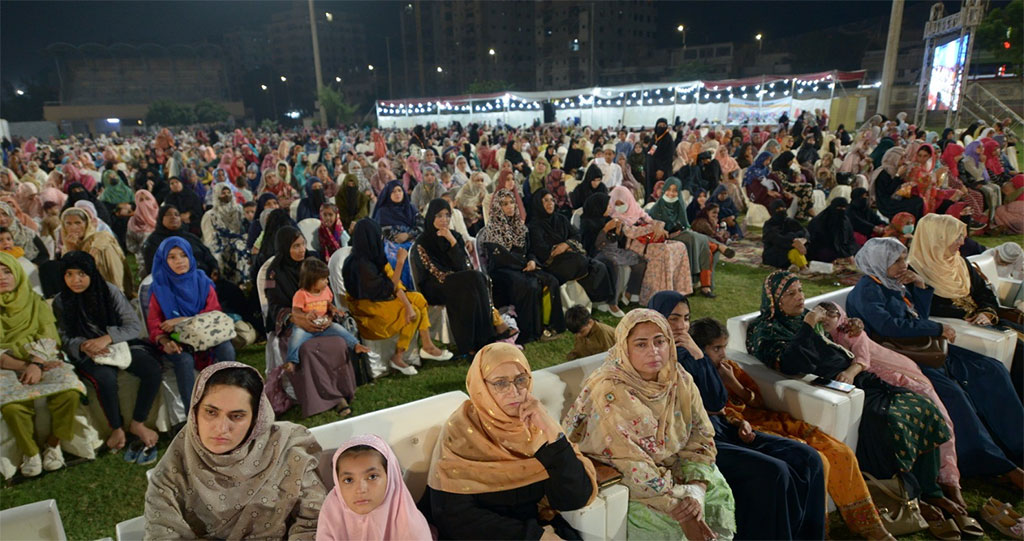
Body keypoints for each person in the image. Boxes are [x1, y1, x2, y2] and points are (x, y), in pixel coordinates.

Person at [747, 271, 965, 521]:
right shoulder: (766, 331)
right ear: (774, 300)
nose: (800, 297)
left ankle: (932, 488)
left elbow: (839, 324)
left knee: (923, 405)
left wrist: (852, 326)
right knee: (890, 421)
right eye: (790, 293)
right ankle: (906, 493)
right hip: (834, 387)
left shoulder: (805, 316)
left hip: (861, 380)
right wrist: (808, 325)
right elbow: (790, 363)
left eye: (801, 290)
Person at [688, 317, 894, 540]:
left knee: (837, 451)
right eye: (717, 348)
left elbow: (757, 402)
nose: (723, 354)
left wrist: (733, 384)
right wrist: (737, 419)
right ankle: (815, 527)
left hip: (760, 419)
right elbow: (713, 411)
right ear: (699, 349)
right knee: (810, 461)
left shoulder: (730, 369)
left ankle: (867, 525)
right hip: (739, 429)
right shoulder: (694, 376)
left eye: (724, 347)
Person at [848, 237, 1024, 491]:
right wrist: (937, 328)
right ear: (879, 261)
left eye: (903, 258)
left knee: (989, 369)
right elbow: (890, 327)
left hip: (923, 347)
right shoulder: (868, 289)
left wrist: (919, 286)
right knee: (952, 393)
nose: (903, 264)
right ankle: (993, 464)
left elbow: (917, 314)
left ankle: (1016, 444)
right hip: (902, 357)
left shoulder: (891, 284)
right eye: (896, 260)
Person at [648, 291, 826, 540]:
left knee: (808, 458)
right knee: (775, 472)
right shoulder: (650, 358)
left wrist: (699, 356)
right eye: (673, 318)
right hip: (692, 442)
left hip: (720, 427)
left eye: (686, 318)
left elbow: (717, 399)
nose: (681, 326)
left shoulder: (689, 354)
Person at [563, 309, 736, 540]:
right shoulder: (610, 390)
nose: (654, 352)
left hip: (677, 465)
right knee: (665, 525)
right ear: (625, 347)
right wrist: (676, 505)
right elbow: (628, 461)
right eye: (641, 344)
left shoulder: (678, 378)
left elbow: (701, 433)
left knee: (717, 492)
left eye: (660, 341)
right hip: (635, 482)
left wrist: (696, 489)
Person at [427, 343, 597, 540]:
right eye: (500, 383)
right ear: (481, 386)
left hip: (540, 525)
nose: (514, 391)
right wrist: (535, 537)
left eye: (520, 379)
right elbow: (454, 516)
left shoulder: (536, 424)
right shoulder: (462, 431)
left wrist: (551, 432)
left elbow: (575, 497)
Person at [144, 363, 325, 539]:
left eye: (236, 416)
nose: (222, 428)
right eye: (211, 412)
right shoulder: (169, 478)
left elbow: (316, 522)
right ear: (195, 412)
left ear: (256, 420)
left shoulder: (288, 449)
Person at [53, 251, 162, 457]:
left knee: (152, 369)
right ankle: (116, 429)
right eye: (69, 275)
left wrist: (107, 338)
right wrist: (84, 345)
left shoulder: (109, 291)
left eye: (82, 274)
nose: (76, 280)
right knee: (105, 379)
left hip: (118, 345)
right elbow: (64, 337)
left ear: (92, 273)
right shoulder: (61, 301)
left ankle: (138, 422)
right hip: (88, 352)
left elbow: (132, 325)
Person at [0, 252, 83, 477]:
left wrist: (36, 364)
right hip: (6, 365)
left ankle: (54, 443)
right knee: (12, 406)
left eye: (7, 271)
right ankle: (30, 452)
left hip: (42, 358)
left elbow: (49, 335)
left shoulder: (35, 301)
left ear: (17, 274)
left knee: (69, 391)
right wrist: (21, 366)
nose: (2, 277)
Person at [343, 218, 451, 375]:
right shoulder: (359, 265)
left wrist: (407, 305)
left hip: (382, 299)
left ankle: (427, 346)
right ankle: (399, 356)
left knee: (418, 301)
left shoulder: (373, 255)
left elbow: (394, 284)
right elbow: (388, 289)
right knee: (415, 312)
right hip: (368, 310)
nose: (380, 239)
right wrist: (400, 263)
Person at [413, 199, 513, 355]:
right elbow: (434, 272)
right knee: (474, 278)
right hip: (434, 286)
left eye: (447, 215)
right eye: (439, 216)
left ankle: (481, 342)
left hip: (458, 281)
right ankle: (489, 331)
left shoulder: (455, 236)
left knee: (477, 281)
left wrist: (452, 241)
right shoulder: (422, 242)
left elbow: (463, 266)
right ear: (431, 216)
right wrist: (458, 278)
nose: (444, 220)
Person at [148, 237, 236, 408]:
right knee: (183, 360)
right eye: (172, 257)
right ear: (163, 261)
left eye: (183, 255)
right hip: (176, 339)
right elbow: (154, 323)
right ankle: (193, 413)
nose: (179, 261)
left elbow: (214, 311)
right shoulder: (159, 287)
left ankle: (231, 399)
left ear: (190, 256)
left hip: (207, 335)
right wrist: (164, 341)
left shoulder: (202, 281)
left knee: (226, 349)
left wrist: (184, 320)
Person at [479, 189, 565, 344]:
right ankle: (530, 333)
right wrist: (524, 263)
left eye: (512, 202)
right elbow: (500, 257)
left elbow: (530, 249)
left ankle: (552, 326)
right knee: (529, 285)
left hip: (522, 266)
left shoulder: (520, 227)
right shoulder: (491, 230)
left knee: (551, 280)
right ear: (498, 207)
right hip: (502, 270)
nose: (510, 207)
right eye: (505, 204)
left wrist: (532, 261)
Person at [316, 434, 432, 541]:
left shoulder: (412, 526)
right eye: (348, 480)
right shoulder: (332, 509)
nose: (361, 489)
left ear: (391, 477)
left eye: (372, 477)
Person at [528, 189, 622, 317]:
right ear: (538, 203)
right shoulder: (534, 225)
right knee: (583, 262)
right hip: (551, 262)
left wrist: (566, 245)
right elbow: (541, 249)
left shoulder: (560, 218)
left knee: (598, 266)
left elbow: (576, 235)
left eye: (551, 200)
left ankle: (600, 300)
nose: (550, 203)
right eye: (545, 201)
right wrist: (561, 248)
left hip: (570, 256)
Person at [608, 185, 694, 303]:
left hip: (647, 242)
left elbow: (652, 221)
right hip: (630, 245)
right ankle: (654, 294)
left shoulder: (636, 210)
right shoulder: (613, 216)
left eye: (621, 203)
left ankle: (678, 290)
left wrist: (658, 226)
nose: (619, 207)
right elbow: (629, 233)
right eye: (616, 204)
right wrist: (651, 228)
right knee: (663, 252)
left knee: (679, 247)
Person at [286, 257, 367, 376]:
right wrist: (306, 316)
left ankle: (355, 344)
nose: (327, 282)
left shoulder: (326, 290)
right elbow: (295, 311)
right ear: (312, 280)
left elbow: (328, 304)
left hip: (324, 324)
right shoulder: (301, 294)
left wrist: (334, 309)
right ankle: (292, 361)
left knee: (339, 329)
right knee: (296, 337)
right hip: (306, 327)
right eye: (323, 279)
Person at [579, 192, 646, 305]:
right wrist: (605, 229)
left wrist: (618, 231)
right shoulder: (587, 222)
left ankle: (630, 293)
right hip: (597, 252)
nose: (611, 208)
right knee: (612, 263)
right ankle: (612, 302)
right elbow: (594, 245)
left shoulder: (608, 218)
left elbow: (614, 240)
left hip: (613, 251)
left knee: (640, 261)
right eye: (608, 206)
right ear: (599, 207)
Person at [58, 207, 129, 292]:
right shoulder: (67, 246)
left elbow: (90, 264)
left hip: (106, 283)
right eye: (68, 223)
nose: (73, 227)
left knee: (106, 249)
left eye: (78, 223)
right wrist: (72, 249)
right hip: (81, 287)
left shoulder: (99, 237)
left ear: (87, 223)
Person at [143, 205, 219, 277]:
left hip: (206, 278)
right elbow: (153, 268)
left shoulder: (190, 237)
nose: (173, 217)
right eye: (168, 214)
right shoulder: (154, 241)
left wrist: (214, 269)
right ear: (160, 219)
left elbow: (207, 254)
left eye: (176, 215)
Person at [373, 180, 421, 290]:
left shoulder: (411, 208)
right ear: (388, 194)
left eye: (399, 190)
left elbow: (421, 227)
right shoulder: (383, 211)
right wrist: (400, 237)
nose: (397, 194)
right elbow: (384, 231)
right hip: (392, 243)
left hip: (412, 241)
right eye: (393, 191)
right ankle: (401, 290)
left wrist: (408, 235)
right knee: (394, 259)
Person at [871, 147, 924, 220]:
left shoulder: (896, 169)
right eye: (901, 158)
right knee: (915, 203)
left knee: (918, 200)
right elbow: (889, 191)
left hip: (896, 198)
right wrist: (898, 175)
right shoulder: (884, 172)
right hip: (886, 203)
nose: (904, 161)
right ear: (894, 159)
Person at [806, 197, 857, 263]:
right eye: (838, 208)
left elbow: (850, 239)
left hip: (841, 248)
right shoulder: (820, 221)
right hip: (824, 248)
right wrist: (840, 255)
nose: (841, 210)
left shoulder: (845, 220)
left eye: (844, 208)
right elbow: (817, 242)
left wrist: (849, 253)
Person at [761, 199, 808, 270]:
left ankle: (795, 264)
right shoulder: (769, 225)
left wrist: (802, 240)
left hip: (793, 246)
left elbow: (804, 231)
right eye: (778, 209)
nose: (782, 211)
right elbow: (778, 240)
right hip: (774, 253)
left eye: (784, 208)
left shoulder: (790, 221)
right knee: (794, 251)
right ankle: (803, 268)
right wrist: (794, 241)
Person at [0, 200, 48, 266]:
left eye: (5, 214)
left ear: (11, 215)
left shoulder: (27, 233)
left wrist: (34, 266)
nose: (2, 219)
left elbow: (44, 255)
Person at [126, 189, 158, 265]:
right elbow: (131, 243)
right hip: (143, 261)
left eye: (147, 199)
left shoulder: (162, 217)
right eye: (141, 200)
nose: (145, 203)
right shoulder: (134, 222)